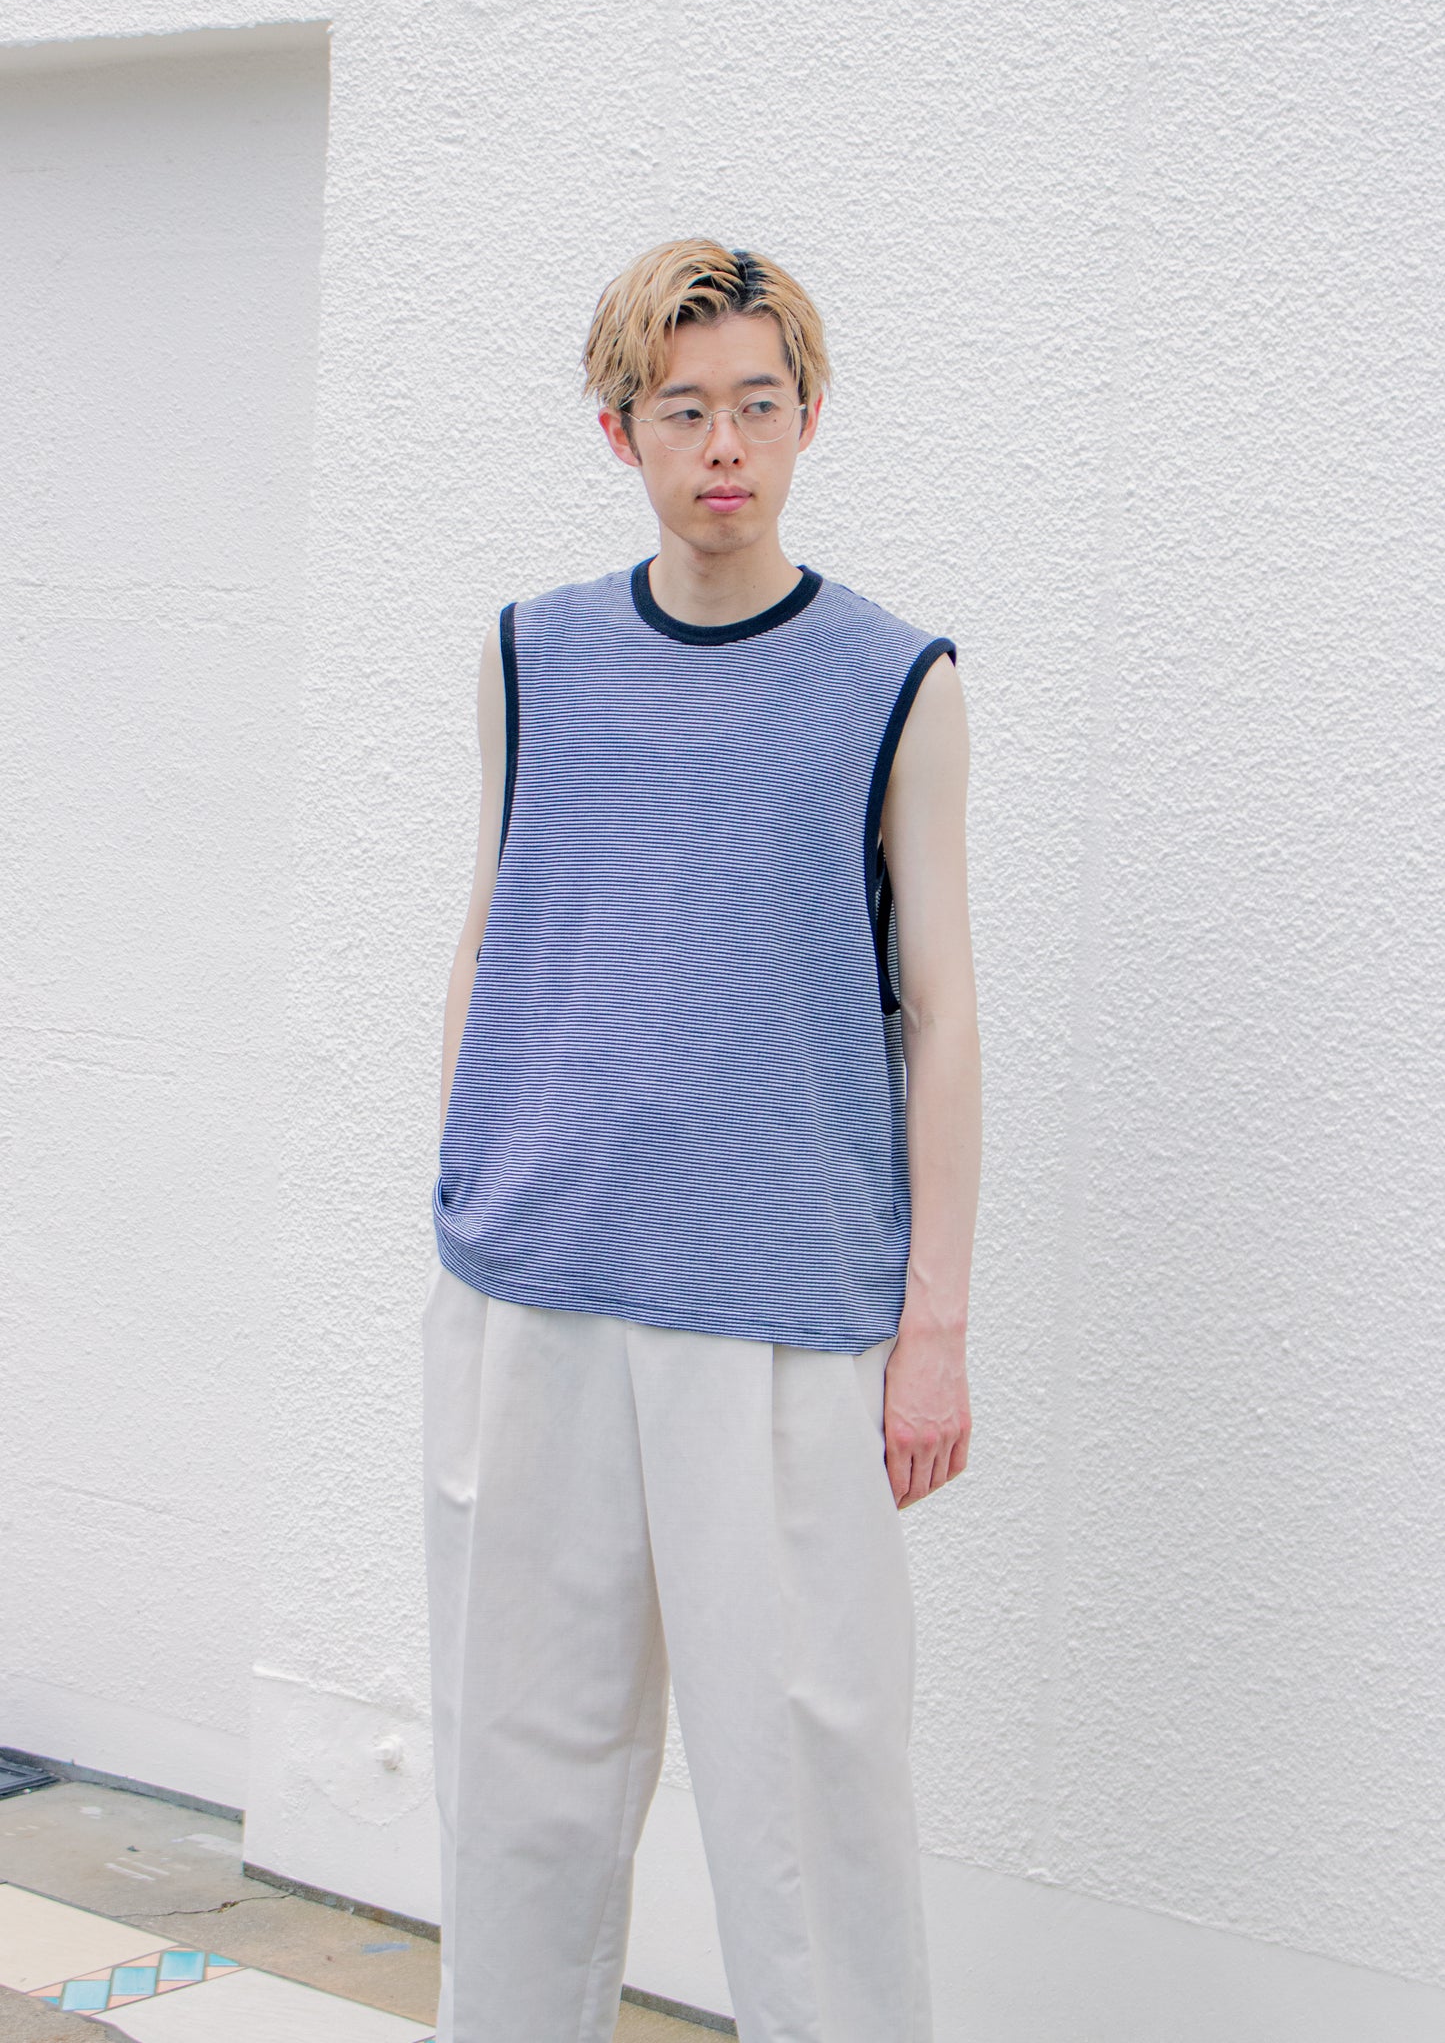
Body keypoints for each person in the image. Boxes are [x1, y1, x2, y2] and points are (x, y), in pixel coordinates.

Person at [422, 238, 981, 2043]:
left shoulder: (893, 681)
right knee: (520, 1775)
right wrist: (471, 1178)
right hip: (539, 1287)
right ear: (622, 432)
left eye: (755, 405)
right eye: (682, 411)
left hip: (781, 1313)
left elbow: (941, 1012)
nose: (722, 446)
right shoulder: (534, 656)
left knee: (810, 1790)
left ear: (807, 417)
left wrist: (932, 1327)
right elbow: (494, 926)